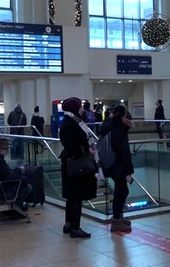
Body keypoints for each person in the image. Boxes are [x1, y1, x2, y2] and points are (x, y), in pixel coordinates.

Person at [58, 97, 97, 238]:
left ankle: (69, 224)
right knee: (76, 197)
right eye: (79, 106)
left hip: (71, 164)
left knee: (72, 197)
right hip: (76, 165)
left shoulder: (72, 121)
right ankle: (75, 227)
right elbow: (71, 146)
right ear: (74, 108)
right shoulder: (71, 124)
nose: (82, 109)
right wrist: (87, 150)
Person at [98, 104, 134, 232]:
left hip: (110, 164)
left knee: (121, 190)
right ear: (123, 115)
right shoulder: (119, 129)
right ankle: (116, 221)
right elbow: (124, 151)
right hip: (118, 165)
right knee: (122, 191)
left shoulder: (108, 125)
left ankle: (118, 217)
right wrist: (129, 171)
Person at [0, 138, 32, 211]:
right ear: (1, 149)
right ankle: (16, 208)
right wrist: (19, 171)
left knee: (23, 181)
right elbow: (8, 176)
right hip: (1, 189)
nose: (7, 151)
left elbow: (4, 173)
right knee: (27, 186)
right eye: (6, 149)